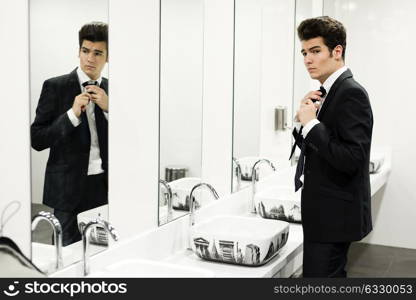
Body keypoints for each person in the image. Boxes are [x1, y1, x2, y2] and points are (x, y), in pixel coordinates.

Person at [292, 16, 373, 277]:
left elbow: (352, 158)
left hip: (333, 216)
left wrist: (313, 125)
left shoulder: (350, 92)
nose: (307, 59)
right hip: (325, 213)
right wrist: (302, 122)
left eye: (315, 51)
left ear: (337, 51)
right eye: (304, 52)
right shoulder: (328, 91)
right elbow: (322, 149)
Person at [31, 22, 109, 246]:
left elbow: (132, 140)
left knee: (100, 254)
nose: (90, 59)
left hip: (103, 187)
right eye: (85, 51)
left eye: (98, 53)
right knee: (65, 256)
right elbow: (37, 139)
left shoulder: (115, 91)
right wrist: (72, 115)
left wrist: (109, 108)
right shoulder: (55, 87)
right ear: (78, 51)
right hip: (66, 189)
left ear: (107, 57)